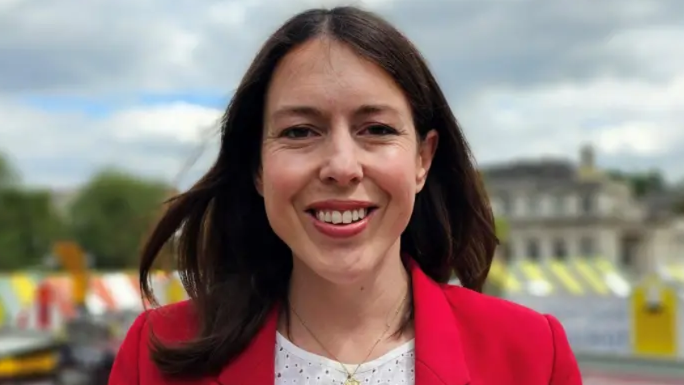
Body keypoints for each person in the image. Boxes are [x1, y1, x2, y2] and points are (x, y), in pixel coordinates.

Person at [109, 6, 581, 385]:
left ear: (423, 159)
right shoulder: (154, 355)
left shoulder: (533, 355)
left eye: (375, 129)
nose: (341, 166)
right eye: (299, 131)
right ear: (256, 165)